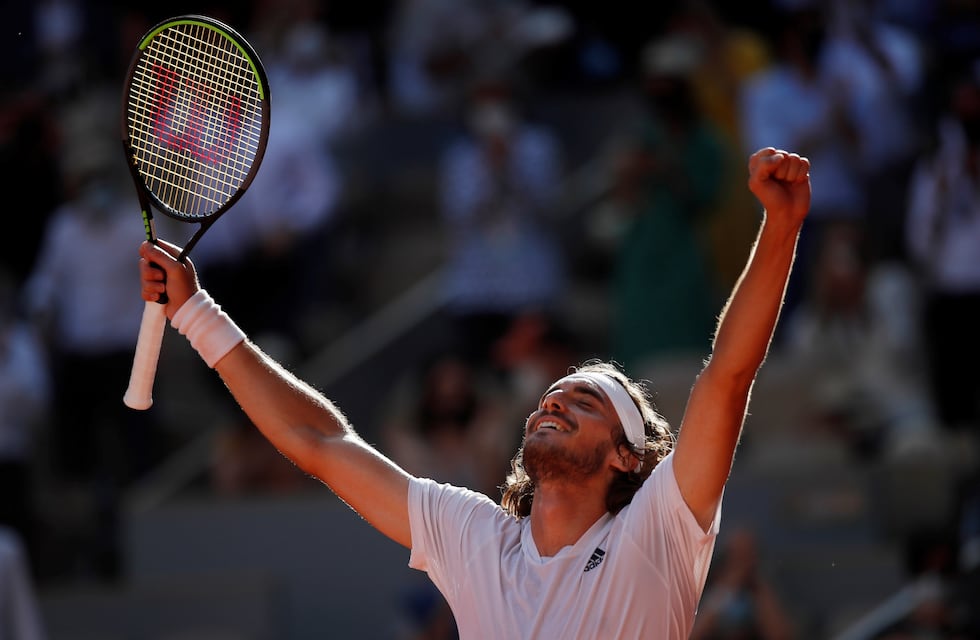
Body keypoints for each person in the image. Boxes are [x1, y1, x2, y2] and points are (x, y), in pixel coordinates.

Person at [135, 147, 810, 638]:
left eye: (585, 402)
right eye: (552, 396)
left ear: (625, 457)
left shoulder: (657, 530)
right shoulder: (476, 538)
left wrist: (779, 229)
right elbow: (321, 442)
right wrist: (196, 313)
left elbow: (727, 375)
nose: (553, 402)